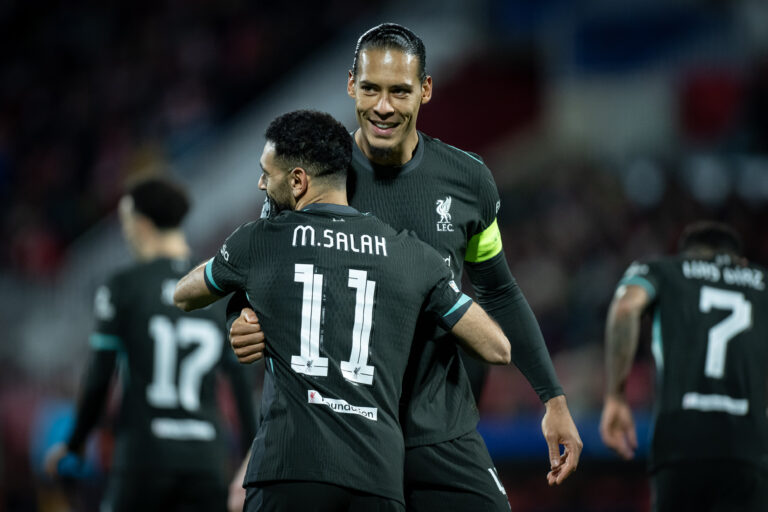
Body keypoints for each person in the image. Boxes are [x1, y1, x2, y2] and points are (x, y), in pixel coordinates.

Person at [228, 22, 582, 510]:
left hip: (438, 428)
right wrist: (239, 320)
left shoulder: (468, 181)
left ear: (426, 90)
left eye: (400, 91)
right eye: (371, 88)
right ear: (351, 84)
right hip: (338, 433)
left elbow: (498, 290)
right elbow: (255, 272)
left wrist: (553, 399)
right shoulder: (309, 174)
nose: (384, 106)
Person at [173, 109, 512, 511]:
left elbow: (185, 294)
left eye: (268, 173)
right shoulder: (410, 255)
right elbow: (497, 349)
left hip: (289, 467)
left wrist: (241, 306)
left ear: (298, 181)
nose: (261, 183)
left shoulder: (261, 241)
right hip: (377, 478)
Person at [44, 177, 257, 512]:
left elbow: (100, 377)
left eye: (126, 223)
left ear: (140, 224)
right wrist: (249, 466)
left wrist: (74, 445)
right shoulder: (217, 289)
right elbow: (242, 385)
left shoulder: (124, 287)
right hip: (207, 457)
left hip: (144, 456)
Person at [600, 221, 768, 512]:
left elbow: (625, 307)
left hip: (680, 440)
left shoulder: (663, 270)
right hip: (749, 445)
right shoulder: (761, 281)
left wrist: (616, 396)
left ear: (687, 254)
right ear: (740, 261)